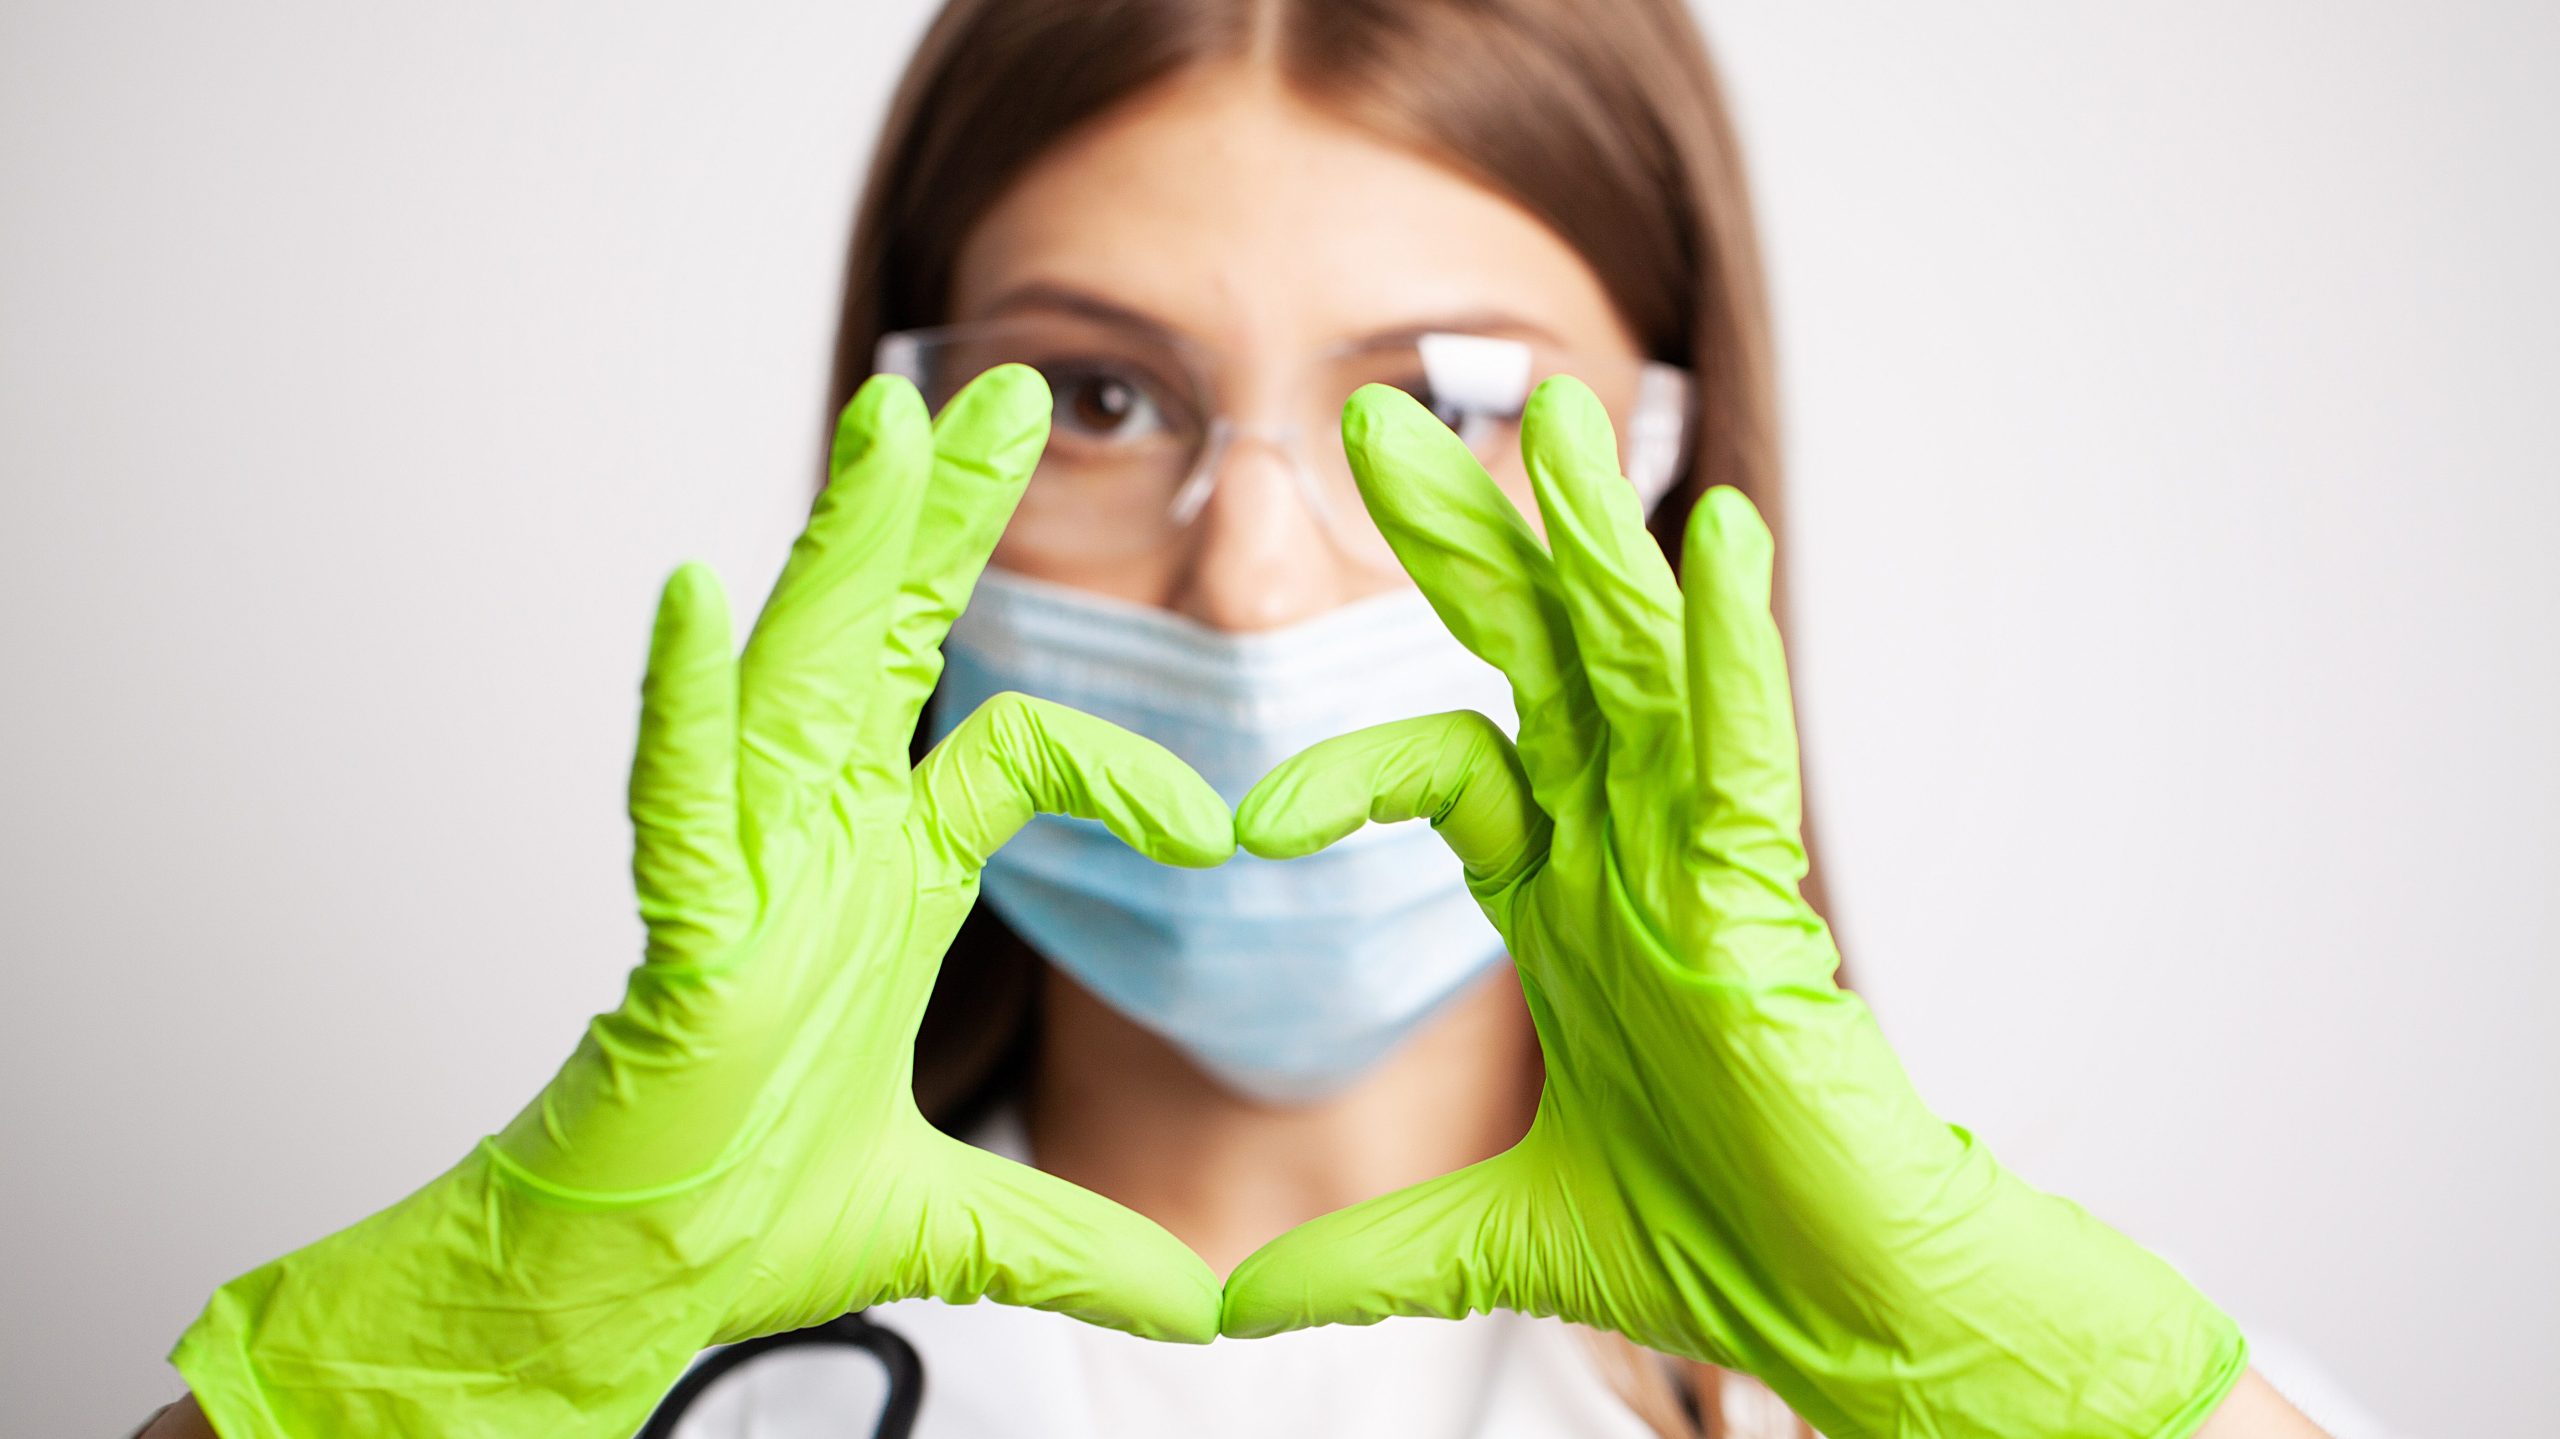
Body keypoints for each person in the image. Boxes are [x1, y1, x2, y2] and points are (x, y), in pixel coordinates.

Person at [134, 2, 2389, 1436]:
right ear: (893, 475)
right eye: (1100, 398)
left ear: (1676, 472)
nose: (1256, 581)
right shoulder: (603, 1377)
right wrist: (419, 1383)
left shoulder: (2074, 1402)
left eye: (1450, 406)